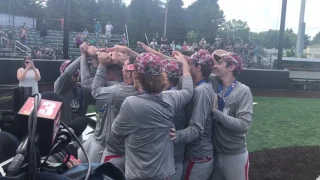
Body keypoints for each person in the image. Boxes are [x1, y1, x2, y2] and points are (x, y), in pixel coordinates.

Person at [111, 51, 193, 180]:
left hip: (140, 175)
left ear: (136, 75)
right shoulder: (171, 97)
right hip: (164, 174)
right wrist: (185, 65)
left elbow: (116, 131)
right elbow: (188, 91)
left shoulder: (132, 104)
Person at [89, 49, 140, 172]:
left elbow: (95, 91)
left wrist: (101, 63)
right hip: (135, 152)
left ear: (128, 73)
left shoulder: (119, 92)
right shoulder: (147, 90)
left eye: (124, 67)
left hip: (115, 151)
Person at [171, 50, 215, 180]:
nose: (187, 66)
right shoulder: (201, 86)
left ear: (198, 67)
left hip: (198, 157)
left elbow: (197, 128)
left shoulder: (202, 91)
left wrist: (176, 135)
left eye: (190, 63)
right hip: (195, 155)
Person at [210, 52, 253, 180]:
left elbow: (244, 125)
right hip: (215, 152)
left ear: (231, 67)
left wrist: (215, 112)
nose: (216, 66)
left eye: (220, 63)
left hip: (235, 155)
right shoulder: (214, 82)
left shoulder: (243, 91)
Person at [54, 43, 95, 124]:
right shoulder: (59, 86)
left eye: (77, 69)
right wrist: (83, 55)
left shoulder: (82, 89)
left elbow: (94, 85)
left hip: (77, 131)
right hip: (63, 129)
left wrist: (94, 58)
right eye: (74, 69)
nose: (76, 72)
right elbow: (67, 73)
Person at [161, 59, 186, 180]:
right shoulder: (173, 92)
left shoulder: (171, 96)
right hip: (171, 157)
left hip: (172, 158)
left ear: (167, 77)